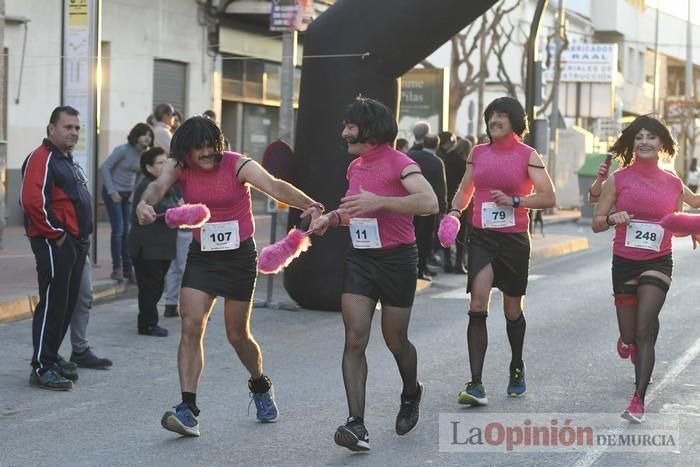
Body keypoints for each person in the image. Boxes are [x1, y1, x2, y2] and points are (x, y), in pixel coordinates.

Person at [135, 116, 324, 437]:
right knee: (191, 324)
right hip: (202, 257)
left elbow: (274, 186)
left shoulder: (238, 165)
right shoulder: (179, 166)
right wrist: (144, 203)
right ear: (186, 150)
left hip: (238, 258)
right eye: (200, 148)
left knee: (237, 335)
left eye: (212, 146)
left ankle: (260, 384)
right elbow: (157, 186)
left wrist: (311, 204)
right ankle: (188, 410)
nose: (208, 153)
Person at [309, 97, 439, 452]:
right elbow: (355, 210)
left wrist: (380, 202)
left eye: (350, 126)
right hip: (361, 259)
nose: (344, 132)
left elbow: (429, 203)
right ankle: (356, 423)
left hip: (397, 259)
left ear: (369, 129)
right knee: (355, 338)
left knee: (395, 340)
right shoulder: (355, 167)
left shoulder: (402, 163)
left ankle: (411, 392)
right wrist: (332, 219)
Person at [447, 96, 555, 406]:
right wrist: (455, 212)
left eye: (501, 116)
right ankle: (476, 382)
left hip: (514, 240)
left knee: (511, 309)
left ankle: (516, 367)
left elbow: (548, 196)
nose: (494, 120)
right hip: (481, 237)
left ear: (515, 121)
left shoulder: (528, 155)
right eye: (491, 116)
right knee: (478, 301)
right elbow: (467, 187)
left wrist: (516, 201)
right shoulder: (478, 152)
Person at [592, 116, 684, 424]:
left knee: (646, 328)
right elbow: (597, 221)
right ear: (632, 143)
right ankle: (627, 341)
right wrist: (612, 219)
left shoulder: (673, 182)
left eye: (652, 136)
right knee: (631, 333)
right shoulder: (618, 179)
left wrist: (691, 230)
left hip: (659, 261)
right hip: (625, 261)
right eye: (639, 136)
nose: (645, 141)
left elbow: (678, 223)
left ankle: (638, 399)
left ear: (662, 144)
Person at [20, 105, 92, 391]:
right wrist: (56, 234)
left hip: (73, 242)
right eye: (68, 127)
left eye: (77, 128)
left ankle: (51, 356)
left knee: (66, 301)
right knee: (52, 302)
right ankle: (41, 367)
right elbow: (31, 202)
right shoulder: (42, 157)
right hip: (54, 242)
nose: (73, 132)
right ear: (51, 128)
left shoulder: (66, 159)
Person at [129, 147, 180, 337]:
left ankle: (149, 321)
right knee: (150, 288)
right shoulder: (148, 186)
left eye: (166, 161)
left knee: (156, 286)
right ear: (149, 168)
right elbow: (162, 209)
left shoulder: (169, 185)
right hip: (148, 248)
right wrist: (178, 210)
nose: (166, 165)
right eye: (160, 163)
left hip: (162, 248)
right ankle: (147, 324)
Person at [101, 122, 153, 282]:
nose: (147, 138)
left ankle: (128, 269)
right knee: (119, 231)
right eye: (144, 134)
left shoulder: (144, 154)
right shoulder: (122, 150)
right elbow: (106, 168)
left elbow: (141, 175)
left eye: (150, 135)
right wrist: (112, 191)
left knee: (128, 232)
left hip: (127, 195)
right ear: (136, 135)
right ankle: (117, 268)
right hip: (113, 193)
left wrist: (134, 193)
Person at [408, 134, 447, 280]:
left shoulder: (411, 155)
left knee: (409, 236)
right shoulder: (437, 162)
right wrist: (443, 209)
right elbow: (440, 187)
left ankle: (409, 267)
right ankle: (420, 270)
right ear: (436, 145)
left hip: (409, 202)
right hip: (428, 206)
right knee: (424, 239)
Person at [67, 257, 114, 370]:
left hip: (80, 248)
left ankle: (80, 351)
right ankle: (48, 357)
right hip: (58, 247)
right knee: (57, 302)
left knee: (84, 298)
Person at [442, 137, 472, 273]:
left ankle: (446, 261)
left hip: (446, 200)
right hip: (460, 202)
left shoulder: (445, 159)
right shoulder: (464, 164)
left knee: (446, 230)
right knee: (461, 233)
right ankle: (458, 264)